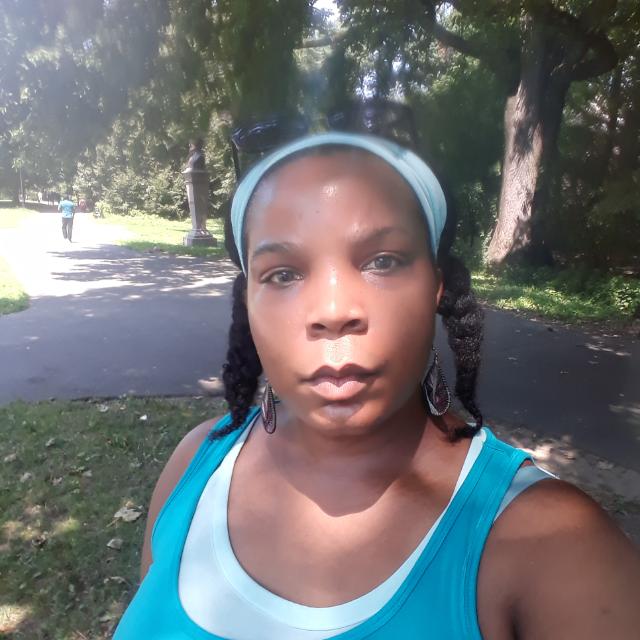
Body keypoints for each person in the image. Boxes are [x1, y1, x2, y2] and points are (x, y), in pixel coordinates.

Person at [114, 130, 640, 639]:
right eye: (283, 274)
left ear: (437, 287)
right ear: (247, 301)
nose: (333, 310)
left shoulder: (552, 543)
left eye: (382, 262)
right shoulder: (196, 465)